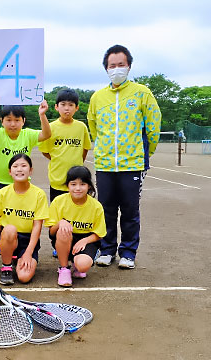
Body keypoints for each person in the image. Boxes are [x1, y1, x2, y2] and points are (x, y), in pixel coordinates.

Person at [87, 44, 161, 269]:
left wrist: (146, 152)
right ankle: (107, 249)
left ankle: (128, 252)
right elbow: (94, 126)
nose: (116, 69)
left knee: (130, 210)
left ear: (129, 66)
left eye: (121, 64)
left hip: (133, 163)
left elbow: (153, 124)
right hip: (106, 163)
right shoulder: (98, 97)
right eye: (112, 65)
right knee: (106, 209)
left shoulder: (141, 93)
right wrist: (104, 148)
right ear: (106, 69)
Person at [0, 95, 51, 255]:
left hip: (21, 183)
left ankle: (19, 239)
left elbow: (46, 134)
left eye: (16, 120)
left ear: (23, 121)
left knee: (17, 211)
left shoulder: (28, 135)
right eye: (8, 120)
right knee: (1, 213)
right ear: (2, 121)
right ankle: (1, 240)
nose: (12, 124)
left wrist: (42, 115)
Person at [0, 154, 48, 285]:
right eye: (15, 166)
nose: (19, 169)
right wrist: (4, 243)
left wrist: (28, 253)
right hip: (10, 236)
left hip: (28, 240)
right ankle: (6, 266)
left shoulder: (39, 194)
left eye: (24, 166)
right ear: (10, 172)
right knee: (9, 229)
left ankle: (20, 257)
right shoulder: (2, 193)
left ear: (31, 170)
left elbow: (37, 227)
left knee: (24, 277)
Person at [46, 166, 106, 287]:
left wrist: (85, 240)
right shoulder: (58, 201)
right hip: (65, 239)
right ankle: (64, 269)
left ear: (89, 186)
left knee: (82, 265)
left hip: (86, 240)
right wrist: (60, 223)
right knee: (63, 231)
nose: (78, 188)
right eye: (73, 184)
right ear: (67, 185)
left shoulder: (96, 206)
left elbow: (99, 234)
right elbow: (52, 232)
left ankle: (77, 265)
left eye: (82, 184)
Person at [39, 88, 91, 202]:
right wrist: (58, 158)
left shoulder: (81, 127)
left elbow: (85, 148)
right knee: (57, 214)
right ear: (56, 107)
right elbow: (45, 151)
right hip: (57, 179)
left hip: (77, 181)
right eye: (63, 104)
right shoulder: (50, 127)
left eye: (71, 105)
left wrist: (77, 162)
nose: (67, 108)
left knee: (76, 213)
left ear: (76, 108)